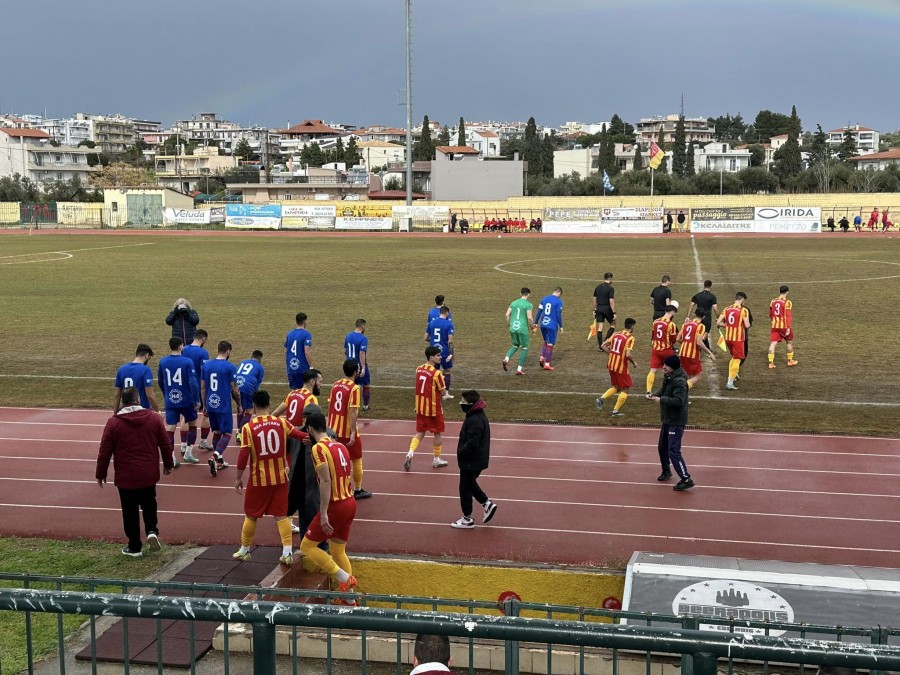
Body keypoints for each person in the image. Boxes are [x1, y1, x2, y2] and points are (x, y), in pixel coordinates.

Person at [96, 386, 174, 557]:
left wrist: (100, 473)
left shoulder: (114, 422)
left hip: (126, 476)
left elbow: (105, 450)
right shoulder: (153, 418)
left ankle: (134, 546)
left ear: (123, 402)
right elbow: (165, 443)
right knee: (149, 503)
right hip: (148, 473)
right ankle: (152, 530)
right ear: (138, 399)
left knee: (129, 510)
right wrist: (168, 463)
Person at [232, 390, 308, 566]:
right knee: (281, 516)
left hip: (258, 480)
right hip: (280, 478)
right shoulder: (281, 422)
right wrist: (317, 438)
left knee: (251, 515)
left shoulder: (248, 428)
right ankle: (287, 552)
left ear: (254, 405)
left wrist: (238, 478)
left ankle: (245, 550)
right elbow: (300, 436)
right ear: (269, 403)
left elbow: (243, 455)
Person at [298, 411, 359, 605]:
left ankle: (343, 578)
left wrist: (323, 513)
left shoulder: (318, 450)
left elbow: (325, 481)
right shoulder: (340, 446)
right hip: (350, 502)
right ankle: (350, 600)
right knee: (338, 550)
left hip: (335, 505)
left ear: (309, 428)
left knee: (306, 546)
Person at [272, 369, 322, 533]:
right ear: (313, 381)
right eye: (320, 381)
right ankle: (289, 517)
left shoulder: (292, 393)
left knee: (289, 476)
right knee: (300, 480)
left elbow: (276, 413)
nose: (321, 384)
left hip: (288, 438)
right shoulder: (311, 398)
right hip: (300, 440)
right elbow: (313, 422)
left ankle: (287, 516)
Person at [451, 390, 497, 529]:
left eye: (463, 402)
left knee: (465, 488)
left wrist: (461, 452)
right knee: (469, 484)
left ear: (471, 404)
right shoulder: (475, 415)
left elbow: (472, 443)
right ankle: (487, 504)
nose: (461, 404)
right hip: (476, 460)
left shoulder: (475, 420)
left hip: (472, 461)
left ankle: (467, 518)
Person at [647, 355, 693, 490]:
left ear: (673, 366)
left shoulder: (679, 382)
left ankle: (686, 478)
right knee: (662, 447)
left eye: (666, 365)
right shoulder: (669, 377)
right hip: (668, 419)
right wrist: (654, 395)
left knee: (673, 450)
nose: (663, 367)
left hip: (676, 420)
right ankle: (666, 471)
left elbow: (678, 401)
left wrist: (660, 400)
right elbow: (664, 391)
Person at [328, 359, 371, 499]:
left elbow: (331, 406)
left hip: (333, 430)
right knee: (356, 459)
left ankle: (335, 487)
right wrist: (353, 432)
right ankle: (357, 489)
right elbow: (353, 412)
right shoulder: (354, 388)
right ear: (355, 372)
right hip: (346, 431)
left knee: (335, 461)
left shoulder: (336, 384)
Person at [405, 346, 450, 471]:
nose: (440, 357)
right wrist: (446, 394)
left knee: (420, 432)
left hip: (420, 408)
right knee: (437, 432)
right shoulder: (437, 374)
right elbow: (442, 392)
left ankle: (410, 453)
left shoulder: (418, 369)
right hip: (433, 409)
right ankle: (436, 459)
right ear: (431, 357)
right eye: (438, 355)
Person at [201, 340, 242, 475]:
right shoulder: (230, 367)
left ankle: (218, 461)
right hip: (223, 405)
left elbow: (203, 387)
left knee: (217, 432)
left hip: (210, 404)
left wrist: (205, 405)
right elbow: (235, 390)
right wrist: (239, 404)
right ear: (228, 352)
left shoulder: (206, 366)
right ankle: (215, 456)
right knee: (228, 433)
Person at [157, 337, 199, 466]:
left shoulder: (163, 361)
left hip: (171, 400)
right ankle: (188, 453)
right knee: (192, 424)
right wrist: (196, 399)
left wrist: (166, 394)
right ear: (181, 346)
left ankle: (171, 458)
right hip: (186, 400)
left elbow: (160, 380)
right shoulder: (187, 361)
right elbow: (193, 382)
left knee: (170, 428)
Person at [597, 318, 637, 418]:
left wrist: (611, 355)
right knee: (626, 388)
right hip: (621, 367)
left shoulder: (616, 334)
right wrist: (634, 362)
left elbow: (603, 345)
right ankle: (615, 411)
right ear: (632, 326)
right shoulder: (630, 338)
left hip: (611, 365)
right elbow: (627, 354)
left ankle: (601, 399)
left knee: (616, 386)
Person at [182, 329, 213, 450]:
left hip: (185, 386)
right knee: (206, 413)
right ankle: (203, 441)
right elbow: (204, 370)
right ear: (203, 339)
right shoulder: (203, 353)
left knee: (186, 415)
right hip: (199, 387)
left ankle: (184, 445)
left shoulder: (183, 349)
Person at [717, 292, 751, 390]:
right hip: (738, 338)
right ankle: (729, 382)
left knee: (734, 357)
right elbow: (747, 325)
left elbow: (719, 322)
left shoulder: (726, 309)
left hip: (728, 338)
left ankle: (733, 374)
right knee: (737, 359)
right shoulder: (743, 310)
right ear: (742, 299)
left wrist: (729, 325)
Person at [677, 308, 716, 389]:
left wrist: (685, 343)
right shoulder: (701, 326)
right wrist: (710, 353)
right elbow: (699, 342)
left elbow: (677, 339)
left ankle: (684, 398)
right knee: (697, 377)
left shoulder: (686, 324)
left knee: (688, 376)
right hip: (692, 354)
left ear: (695, 314)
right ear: (704, 317)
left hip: (682, 353)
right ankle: (680, 388)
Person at [114, 344, 159, 413]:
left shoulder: (121, 369)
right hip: (142, 411)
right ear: (146, 355)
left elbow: (117, 395)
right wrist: (157, 411)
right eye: (149, 358)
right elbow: (150, 395)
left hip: (126, 411)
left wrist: (115, 412)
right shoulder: (146, 370)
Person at [646, 303, 678, 395]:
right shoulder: (671, 324)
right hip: (666, 350)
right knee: (673, 371)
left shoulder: (655, 321)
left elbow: (652, 336)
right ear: (672, 312)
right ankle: (672, 391)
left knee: (653, 370)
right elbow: (673, 340)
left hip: (655, 350)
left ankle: (648, 390)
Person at [502, 287, 535, 375]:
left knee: (515, 345)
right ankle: (519, 369)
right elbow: (529, 317)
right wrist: (532, 326)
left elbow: (507, 314)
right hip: (522, 329)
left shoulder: (513, 303)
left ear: (520, 294)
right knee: (524, 347)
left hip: (513, 327)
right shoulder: (528, 305)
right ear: (528, 294)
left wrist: (509, 324)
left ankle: (506, 359)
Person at [425, 306, 455, 397]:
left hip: (433, 351)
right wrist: (451, 353)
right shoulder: (449, 324)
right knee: (447, 371)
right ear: (446, 313)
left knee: (433, 371)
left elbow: (425, 337)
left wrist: (434, 341)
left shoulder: (432, 323)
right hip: (444, 351)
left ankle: (432, 391)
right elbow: (450, 341)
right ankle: (445, 393)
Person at [236, 350, 265, 435]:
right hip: (247, 387)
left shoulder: (242, 362)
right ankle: (241, 433)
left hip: (236, 386)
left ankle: (238, 429)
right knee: (249, 410)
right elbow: (256, 385)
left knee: (240, 408)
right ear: (260, 359)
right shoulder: (259, 367)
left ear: (251, 356)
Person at [767, 285, 798, 369]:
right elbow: (788, 316)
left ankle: (770, 363)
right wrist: (788, 327)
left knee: (773, 343)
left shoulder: (773, 301)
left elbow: (770, 313)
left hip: (774, 326)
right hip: (784, 326)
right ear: (787, 292)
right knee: (789, 342)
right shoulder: (787, 302)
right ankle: (790, 361)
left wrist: (773, 320)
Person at [345, 319, 371, 411]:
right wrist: (363, 367)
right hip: (358, 365)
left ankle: (350, 405)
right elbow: (362, 353)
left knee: (350, 386)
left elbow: (346, 351)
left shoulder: (348, 336)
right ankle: (365, 406)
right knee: (366, 385)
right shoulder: (363, 338)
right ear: (362, 327)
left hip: (348, 365)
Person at [285, 312, 314, 390]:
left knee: (294, 393)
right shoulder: (307, 334)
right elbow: (307, 352)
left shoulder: (289, 334)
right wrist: (311, 367)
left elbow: (287, 351)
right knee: (304, 392)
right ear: (304, 322)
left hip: (291, 368)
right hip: (302, 368)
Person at [687, 280, 719, 350]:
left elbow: (691, 305)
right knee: (706, 332)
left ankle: (706, 347)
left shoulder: (697, 295)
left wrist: (688, 316)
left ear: (704, 285)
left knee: (699, 331)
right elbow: (715, 308)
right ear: (710, 286)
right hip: (707, 317)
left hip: (698, 316)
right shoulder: (712, 296)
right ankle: (699, 346)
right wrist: (719, 318)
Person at [537, 287, 564, 371]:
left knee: (546, 341)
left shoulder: (544, 299)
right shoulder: (559, 301)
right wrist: (561, 325)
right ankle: (547, 364)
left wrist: (535, 322)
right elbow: (558, 314)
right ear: (559, 293)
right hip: (552, 325)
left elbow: (539, 311)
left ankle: (542, 357)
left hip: (543, 324)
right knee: (550, 343)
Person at [592, 272, 616, 349]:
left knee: (600, 327)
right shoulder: (610, 288)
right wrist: (614, 312)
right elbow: (611, 301)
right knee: (613, 325)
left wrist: (594, 309)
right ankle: (604, 343)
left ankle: (600, 346)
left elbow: (594, 299)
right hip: (607, 308)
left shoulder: (598, 287)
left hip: (599, 308)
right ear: (610, 279)